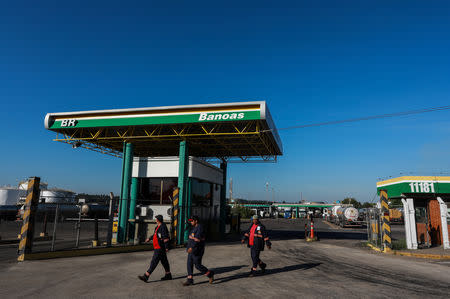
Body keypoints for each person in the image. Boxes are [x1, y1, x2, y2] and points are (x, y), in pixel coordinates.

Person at [138, 215, 172, 282]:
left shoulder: (163, 227)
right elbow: (155, 235)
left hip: (160, 247)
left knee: (154, 261)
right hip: (157, 247)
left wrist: (167, 247)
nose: (155, 220)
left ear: (158, 220)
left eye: (156, 219)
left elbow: (165, 237)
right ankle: (168, 275)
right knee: (164, 261)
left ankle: (146, 276)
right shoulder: (158, 227)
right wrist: (149, 238)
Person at [182, 216, 214, 286]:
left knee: (197, 265)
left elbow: (197, 239)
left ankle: (210, 274)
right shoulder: (193, 228)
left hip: (197, 250)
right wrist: (188, 247)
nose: (191, 222)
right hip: (191, 249)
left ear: (196, 221)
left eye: (192, 221)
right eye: (190, 221)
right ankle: (190, 279)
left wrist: (192, 247)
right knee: (189, 264)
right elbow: (192, 238)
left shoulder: (200, 228)